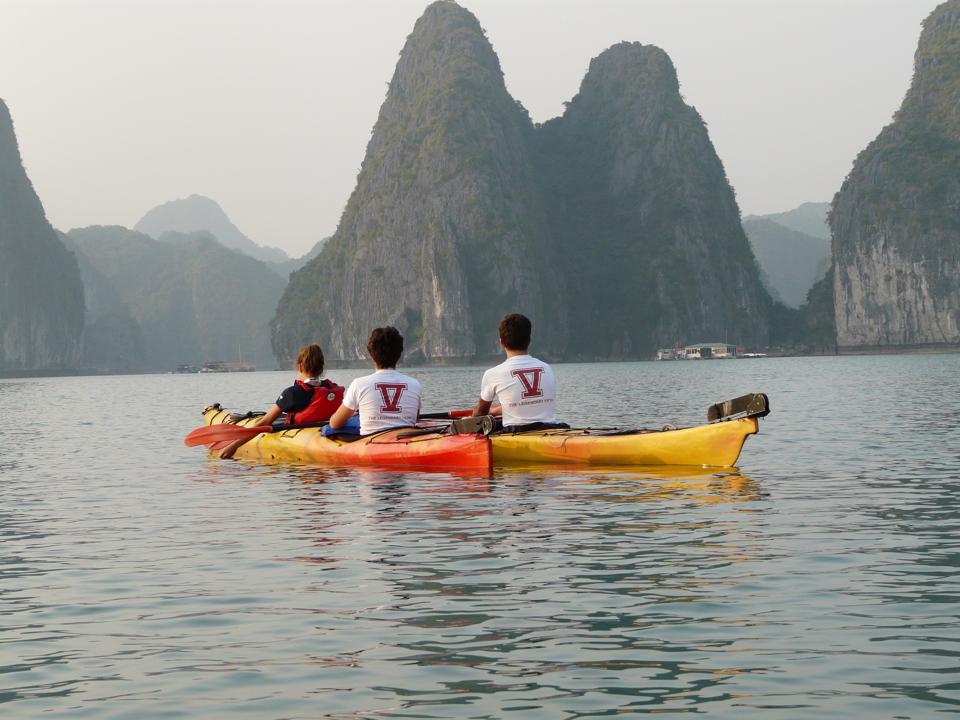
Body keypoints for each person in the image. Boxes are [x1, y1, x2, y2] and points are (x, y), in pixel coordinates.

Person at [219, 344, 344, 459]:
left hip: (302, 431)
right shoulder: (332, 390)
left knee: (264, 419)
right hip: (324, 429)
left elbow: (264, 422)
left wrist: (234, 446)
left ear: (300, 366)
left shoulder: (292, 393)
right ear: (321, 369)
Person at [327, 326, 422, 436]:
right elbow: (415, 418)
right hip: (406, 443)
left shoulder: (359, 384)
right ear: (399, 355)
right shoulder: (415, 385)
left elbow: (334, 424)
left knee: (328, 429)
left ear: (372, 354)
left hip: (371, 445)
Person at [472, 313, 559, 429]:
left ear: (501, 343)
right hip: (551, 429)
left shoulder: (492, 374)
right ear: (530, 340)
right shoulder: (546, 368)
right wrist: (495, 411)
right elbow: (529, 405)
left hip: (516, 432)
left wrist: (467, 421)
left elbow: (480, 414)